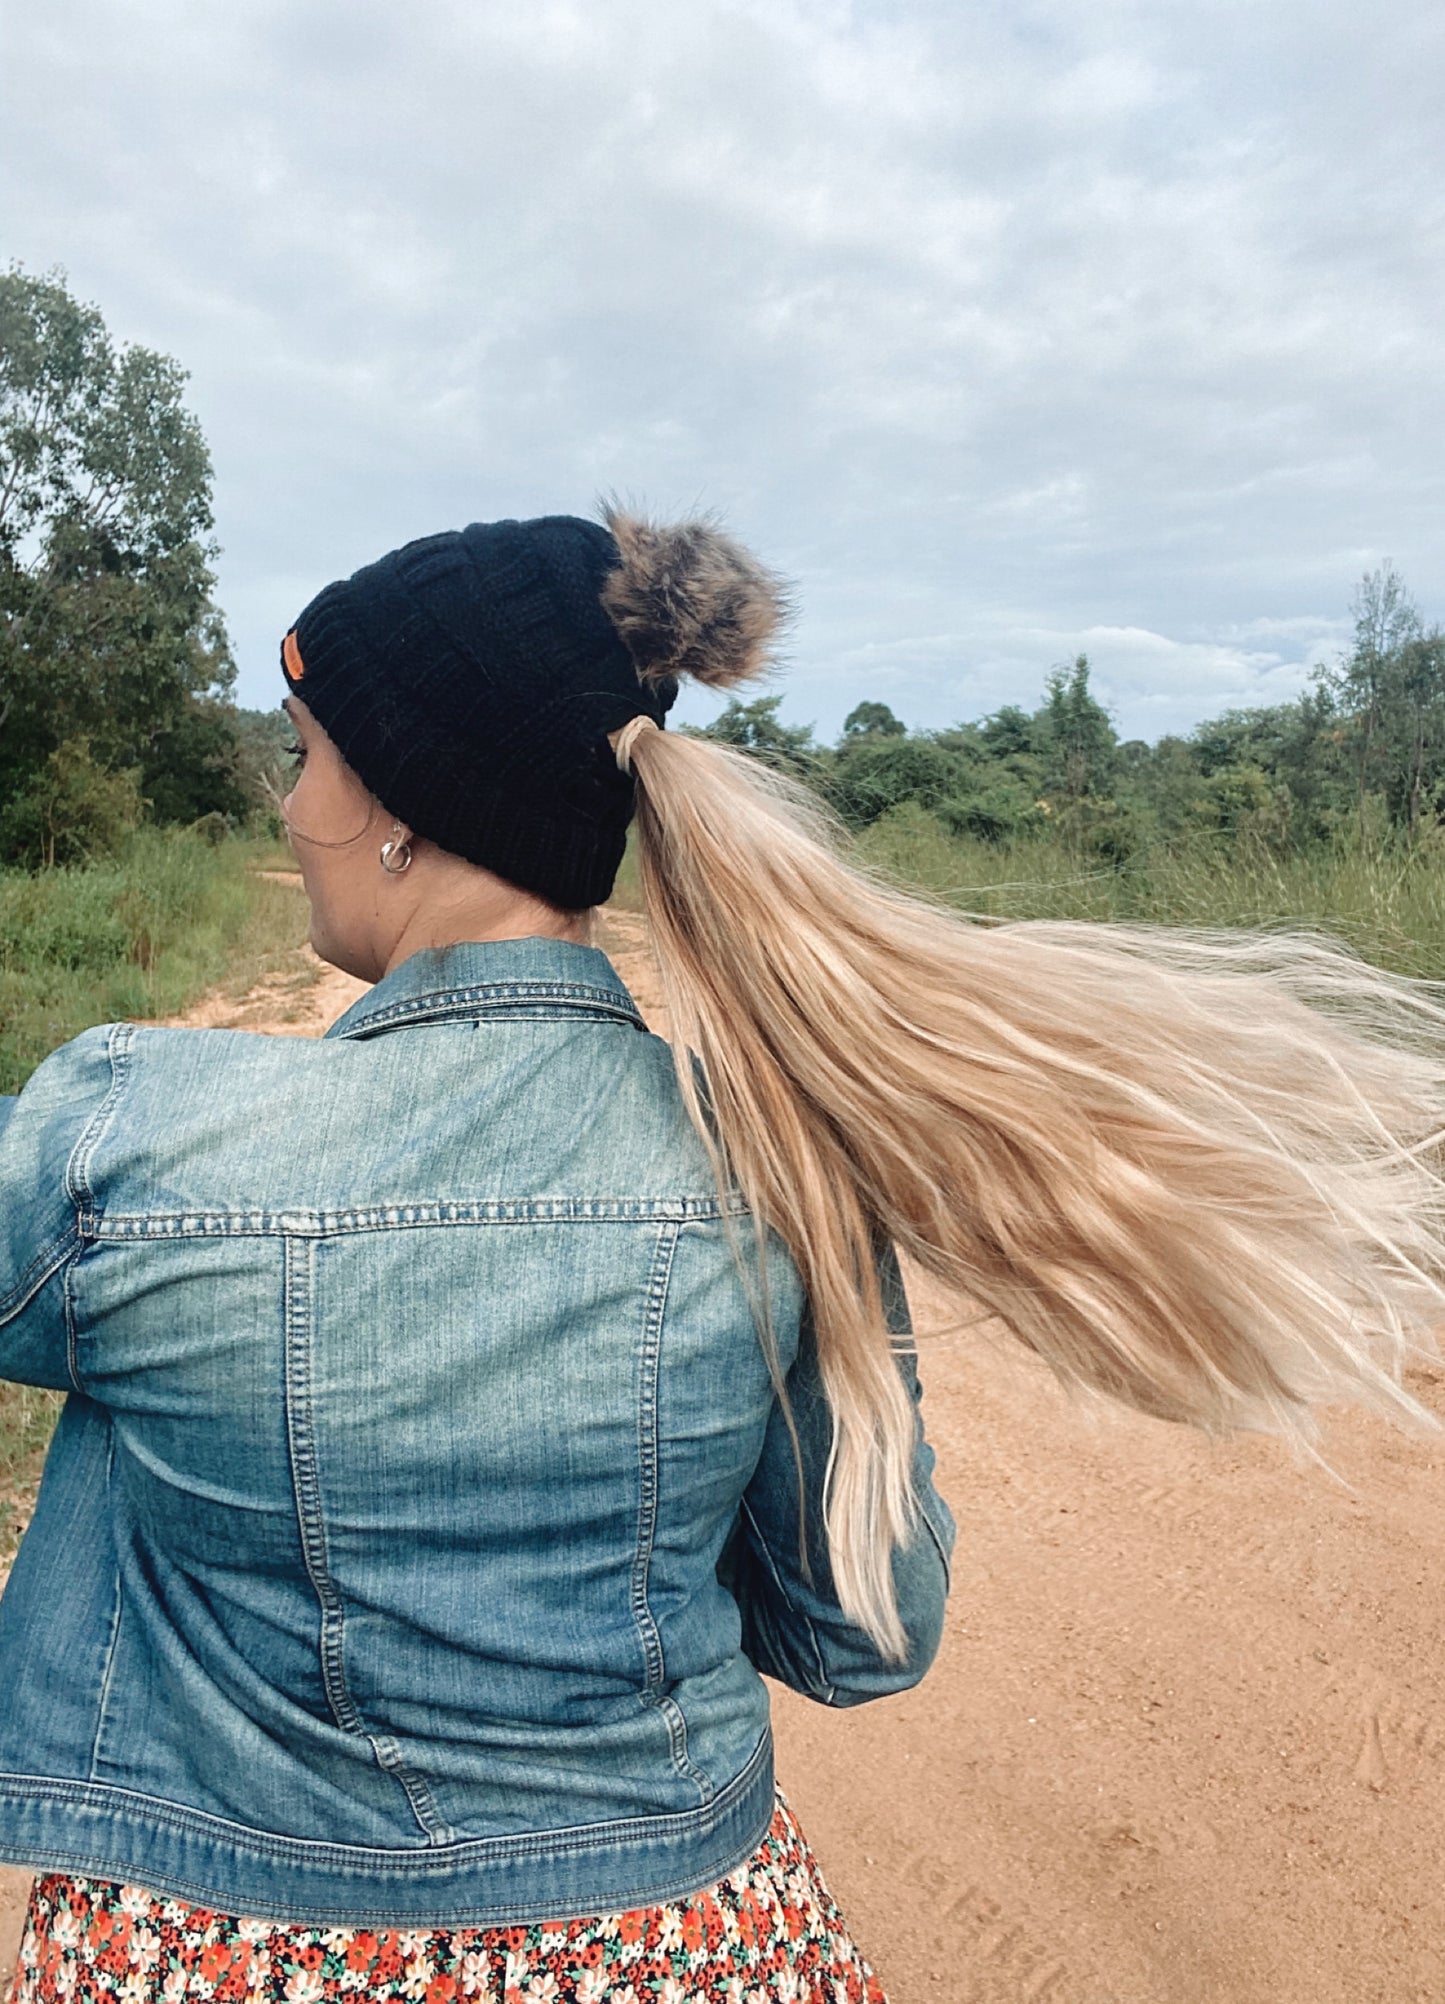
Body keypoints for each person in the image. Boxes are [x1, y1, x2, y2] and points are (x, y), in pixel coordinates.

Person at [0, 505, 1442, 2004]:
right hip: (689, 1951)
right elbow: (860, 1637)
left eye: (304, 752)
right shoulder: (774, 1168)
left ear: (404, 805)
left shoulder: (128, 1141)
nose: (288, 807)